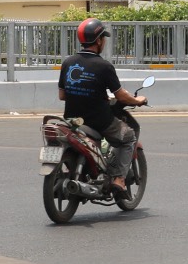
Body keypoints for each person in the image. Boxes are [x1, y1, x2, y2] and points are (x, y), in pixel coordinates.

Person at [57, 18, 145, 196]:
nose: (104, 41)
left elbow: (62, 95)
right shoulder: (104, 66)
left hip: (72, 119)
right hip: (98, 121)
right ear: (98, 41)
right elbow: (121, 96)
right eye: (103, 38)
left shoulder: (68, 62)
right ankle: (119, 179)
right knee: (128, 137)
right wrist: (138, 100)